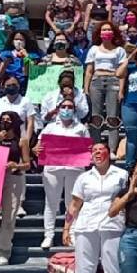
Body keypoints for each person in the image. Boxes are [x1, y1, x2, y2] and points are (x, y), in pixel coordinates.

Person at [63, 143, 128, 273]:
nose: (98, 153)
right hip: (86, 225)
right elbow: (75, 204)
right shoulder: (84, 178)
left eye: (101, 150)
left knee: (114, 269)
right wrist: (67, 227)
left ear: (109, 153)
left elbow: (127, 200)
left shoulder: (122, 175)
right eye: (94, 151)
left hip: (112, 225)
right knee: (84, 269)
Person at [33, 98, 90, 250]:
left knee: (71, 203)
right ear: (58, 109)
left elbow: (88, 148)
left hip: (75, 170)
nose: (66, 109)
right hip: (52, 169)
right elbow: (38, 146)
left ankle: (71, 233)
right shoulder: (50, 127)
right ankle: (49, 235)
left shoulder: (81, 128)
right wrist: (35, 150)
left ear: (74, 109)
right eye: (63, 106)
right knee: (51, 203)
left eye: (70, 107)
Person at [0, 112, 30, 265]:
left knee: (9, 217)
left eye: (9, 119)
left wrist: (17, 165)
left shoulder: (22, 141)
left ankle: (3, 251)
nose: (5, 122)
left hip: (13, 178)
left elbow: (27, 164)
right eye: (3, 119)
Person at [85, 22, 126, 155]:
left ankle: (112, 149)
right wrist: (86, 88)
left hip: (113, 80)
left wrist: (121, 90)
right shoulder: (94, 49)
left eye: (109, 29)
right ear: (99, 33)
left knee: (112, 117)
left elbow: (122, 73)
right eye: (104, 29)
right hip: (96, 81)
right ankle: (96, 147)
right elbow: (89, 71)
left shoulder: (120, 50)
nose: (106, 31)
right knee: (95, 116)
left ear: (113, 32)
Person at [0, 75, 36, 142]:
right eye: (8, 85)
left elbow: (30, 122)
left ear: (19, 86)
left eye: (14, 85)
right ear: (3, 86)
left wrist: (27, 141)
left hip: (20, 140)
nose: (11, 87)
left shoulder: (26, 101)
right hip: (1, 140)